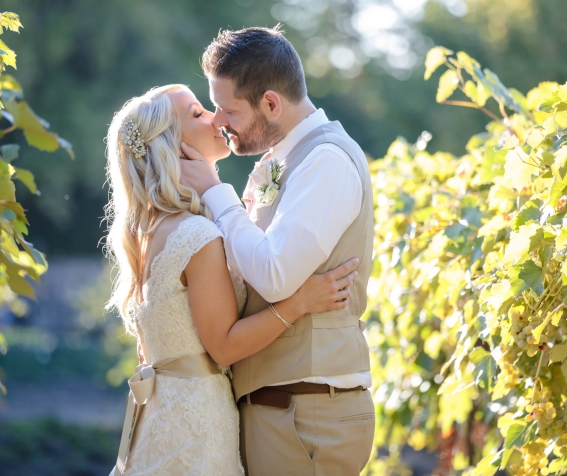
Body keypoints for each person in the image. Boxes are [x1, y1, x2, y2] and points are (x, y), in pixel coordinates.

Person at [104, 84, 359, 476]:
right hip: (197, 427)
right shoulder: (196, 235)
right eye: (197, 113)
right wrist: (299, 302)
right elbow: (222, 347)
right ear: (174, 146)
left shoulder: (149, 231)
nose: (214, 118)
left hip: (163, 415)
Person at [180, 26, 375, 475]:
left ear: (271, 103)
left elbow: (273, 275)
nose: (217, 120)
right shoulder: (281, 161)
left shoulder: (325, 160)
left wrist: (216, 192)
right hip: (284, 407)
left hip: (306, 411)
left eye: (228, 109)